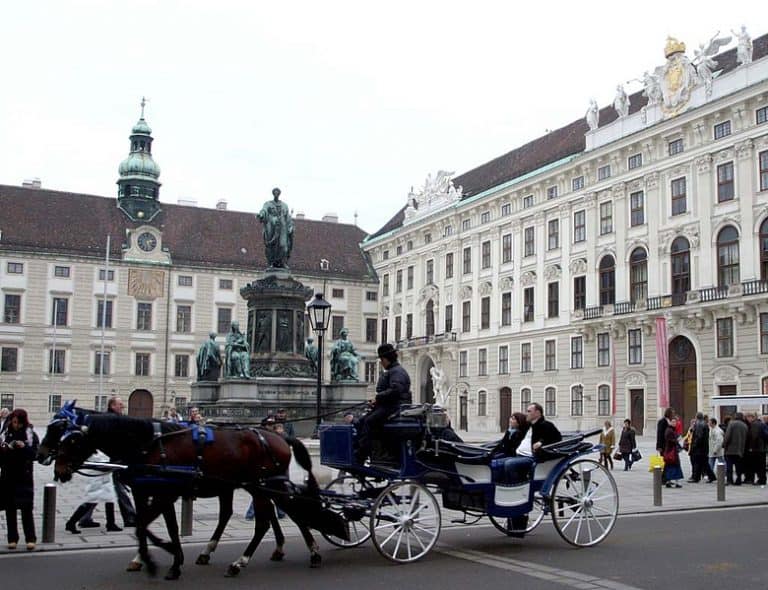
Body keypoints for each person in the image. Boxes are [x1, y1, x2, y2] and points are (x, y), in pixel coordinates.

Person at [78, 396, 137, 529]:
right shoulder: (111, 420)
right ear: (112, 406)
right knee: (118, 489)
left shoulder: (113, 419)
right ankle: (129, 517)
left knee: (101, 489)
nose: (123, 406)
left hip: (108, 459)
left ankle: (85, 518)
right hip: (109, 460)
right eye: (120, 404)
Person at [355, 343, 412, 463]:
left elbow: (396, 390)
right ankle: (372, 452)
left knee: (369, 422)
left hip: (393, 407)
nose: (381, 362)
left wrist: (378, 398)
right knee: (362, 421)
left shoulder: (397, 372)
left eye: (381, 360)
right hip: (389, 405)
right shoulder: (394, 370)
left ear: (386, 359)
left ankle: (363, 455)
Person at [0, 409, 38, 550]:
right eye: (14, 422)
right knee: (10, 508)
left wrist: (24, 447)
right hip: (8, 475)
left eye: (18, 423)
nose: (16, 425)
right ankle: (12, 539)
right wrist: (6, 448)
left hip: (24, 475)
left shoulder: (30, 434)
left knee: (26, 508)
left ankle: (30, 538)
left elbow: (35, 454)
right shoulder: (5, 433)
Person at [65, 450, 122, 534]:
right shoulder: (91, 450)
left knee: (110, 499)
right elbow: (100, 464)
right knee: (90, 501)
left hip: (105, 477)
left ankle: (111, 524)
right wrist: (115, 463)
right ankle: (71, 522)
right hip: (97, 478)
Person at [257, 187, 294, 269]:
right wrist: (261, 214)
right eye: (275, 192)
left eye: (277, 192)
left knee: (283, 246)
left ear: (279, 194)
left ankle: (282, 262)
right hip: (272, 228)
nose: (276, 194)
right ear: (273, 193)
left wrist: (290, 226)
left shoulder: (284, 205)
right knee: (272, 247)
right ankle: (272, 263)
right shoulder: (268, 204)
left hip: (283, 228)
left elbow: (288, 217)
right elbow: (264, 210)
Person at [492, 413, 528, 483]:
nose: (510, 420)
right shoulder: (510, 431)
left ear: (519, 422)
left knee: (496, 462)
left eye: (513, 419)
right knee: (492, 457)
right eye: (511, 418)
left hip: (512, 455)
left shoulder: (520, 434)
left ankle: (501, 481)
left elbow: (510, 448)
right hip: (506, 453)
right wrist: (492, 452)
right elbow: (502, 443)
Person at [723, 412, 748, 485]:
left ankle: (729, 480)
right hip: (740, 449)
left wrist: (724, 444)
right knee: (738, 466)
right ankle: (738, 479)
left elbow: (727, 436)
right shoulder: (745, 426)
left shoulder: (731, 424)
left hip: (730, 449)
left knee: (729, 466)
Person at [688, 412, 712, 483]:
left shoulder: (699, 424)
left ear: (696, 417)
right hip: (704, 447)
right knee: (704, 463)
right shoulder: (704, 423)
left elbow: (699, 436)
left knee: (697, 463)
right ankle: (711, 476)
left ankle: (696, 478)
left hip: (699, 448)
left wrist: (694, 445)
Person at [744, 412, 766, 486]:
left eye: (747, 417)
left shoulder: (754, 425)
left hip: (756, 449)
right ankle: (762, 479)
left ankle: (761, 480)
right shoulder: (761, 424)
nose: (747, 419)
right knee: (762, 465)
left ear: (751, 417)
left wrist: (751, 447)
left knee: (757, 465)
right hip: (762, 448)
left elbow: (754, 436)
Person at [662, 417, 684, 488]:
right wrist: (677, 440)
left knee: (670, 466)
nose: (675, 423)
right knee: (675, 466)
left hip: (670, 451)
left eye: (675, 422)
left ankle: (669, 481)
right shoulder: (670, 430)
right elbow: (671, 441)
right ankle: (676, 482)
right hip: (671, 451)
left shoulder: (671, 430)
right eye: (673, 422)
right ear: (670, 422)